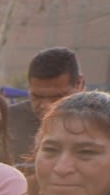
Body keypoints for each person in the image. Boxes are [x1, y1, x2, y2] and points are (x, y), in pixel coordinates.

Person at [7, 47, 83, 175]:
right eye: (37, 97)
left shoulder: (105, 122)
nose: (47, 106)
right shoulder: (9, 121)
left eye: (57, 97)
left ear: (79, 83)